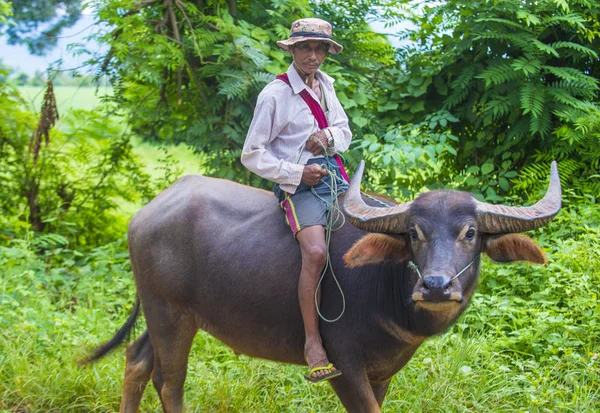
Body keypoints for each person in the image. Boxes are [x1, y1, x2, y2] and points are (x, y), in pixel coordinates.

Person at [241, 17, 352, 383]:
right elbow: (252, 154)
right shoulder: (275, 95)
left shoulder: (327, 87)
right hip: (297, 185)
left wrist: (327, 139)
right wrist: (296, 174)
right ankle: (312, 343)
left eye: (320, 48)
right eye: (306, 47)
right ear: (292, 49)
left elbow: (344, 130)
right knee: (317, 252)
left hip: (334, 175)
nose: (314, 56)